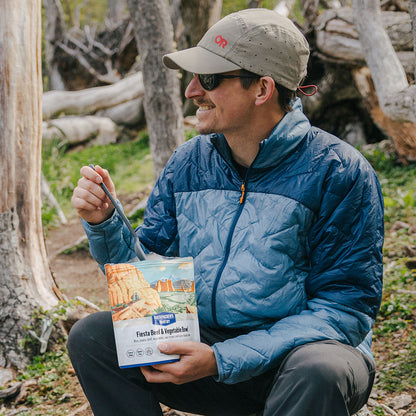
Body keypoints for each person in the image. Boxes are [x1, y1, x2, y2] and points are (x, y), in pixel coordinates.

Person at [68, 8, 384, 416]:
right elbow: (148, 286)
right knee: (92, 337)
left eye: (210, 79)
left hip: (295, 363)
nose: (192, 90)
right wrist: (105, 223)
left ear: (262, 89)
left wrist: (224, 358)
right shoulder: (187, 163)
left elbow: (343, 312)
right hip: (209, 356)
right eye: (194, 77)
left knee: (319, 369)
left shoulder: (339, 172)